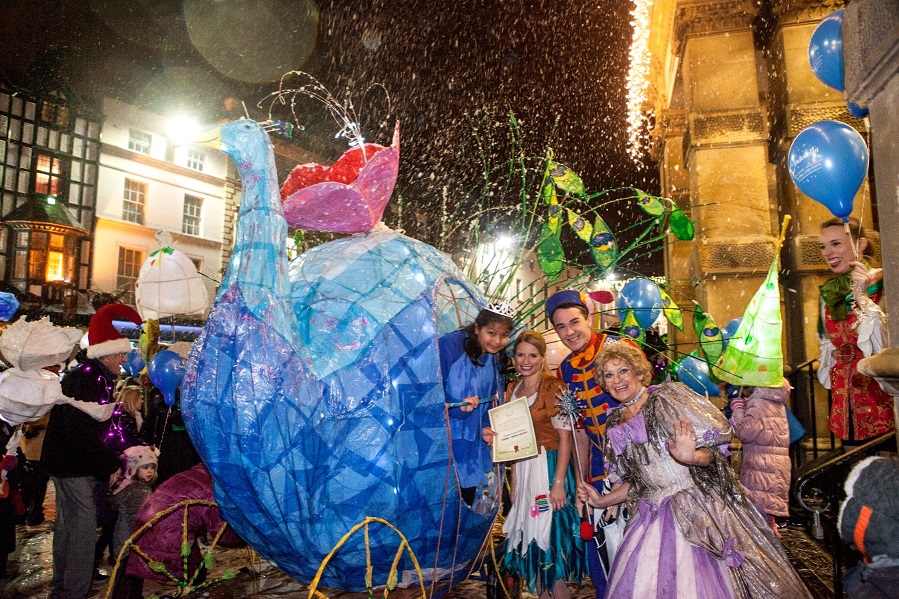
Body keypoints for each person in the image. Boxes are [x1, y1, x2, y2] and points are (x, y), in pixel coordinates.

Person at [577, 341, 812, 598]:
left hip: (698, 509)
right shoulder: (615, 422)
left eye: (623, 370)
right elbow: (638, 481)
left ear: (638, 371)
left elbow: (714, 452)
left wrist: (691, 457)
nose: (617, 380)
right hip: (650, 516)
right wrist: (600, 500)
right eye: (609, 375)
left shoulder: (667, 399)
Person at [41, 303, 142, 599]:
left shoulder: (88, 376)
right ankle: (74, 591)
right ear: (107, 354)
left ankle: (63, 587)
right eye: (121, 354)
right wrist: (108, 464)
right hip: (75, 466)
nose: (124, 361)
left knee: (68, 527)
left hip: (69, 464)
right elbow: (84, 433)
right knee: (82, 531)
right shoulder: (89, 380)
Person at [547, 289, 627, 596]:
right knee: (600, 539)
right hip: (596, 462)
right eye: (560, 327)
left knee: (636, 537)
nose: (569, 332)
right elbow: (579, 430)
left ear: (588, 318)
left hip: (632, 459)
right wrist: (580, 481)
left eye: (574, 322)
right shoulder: (566, 369)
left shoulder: (618, 349)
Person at [496, 330, 587, 598]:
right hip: (524, 471)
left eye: (532, 355)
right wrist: (514, 483)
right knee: (534, 553)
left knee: (551, 548)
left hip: (549, 470)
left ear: (542, 357)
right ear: (513, 357)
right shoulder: (513, 389)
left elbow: (565, 439)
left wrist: (558, 484)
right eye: (520, 354)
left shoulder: (552, 387)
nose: (526, 361)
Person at [817, 217, 893, 445]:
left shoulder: (886, 283)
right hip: (845, 403)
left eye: (836, 244)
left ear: (860, 244)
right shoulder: (829, 293)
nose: (828, 252)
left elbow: (887, 343)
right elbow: (826, 340)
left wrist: (861, 297)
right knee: (852, 465)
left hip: (883, 402)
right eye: (823, 246)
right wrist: (834, 353)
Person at [439, 301, 513, 509]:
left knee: (468, 506)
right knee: (446, 508)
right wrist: (455, 406)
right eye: (491, 333)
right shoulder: (451, 345)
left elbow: (490, 400)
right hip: (446, 445)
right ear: (477, 328)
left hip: (473, 449)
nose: (498, 341)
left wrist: (484, 428)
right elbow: (429, 391)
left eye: (504, 335)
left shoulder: (495, 358)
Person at [730, 379, 792, 537]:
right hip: (776, 466)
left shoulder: (758, 403)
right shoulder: (776, 402)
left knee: (758, 517)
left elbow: (745, 432)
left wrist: (738, 412)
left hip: (761, 466)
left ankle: (766, 555)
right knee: (767, 513)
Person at [110, 446, 158, 565]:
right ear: (134, 469)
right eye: (145, 467)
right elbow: (136, 518)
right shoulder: (138, 491)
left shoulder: (134, 486)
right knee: (128, 575)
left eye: (152, 467)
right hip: (130, 541)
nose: (150, 471)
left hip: (124, 540)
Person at [18, 411, 51, 526]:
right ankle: (28, 515)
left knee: (35, 485)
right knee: (32, 485)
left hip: (36, 451)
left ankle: (29, 515)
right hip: (32, 451)